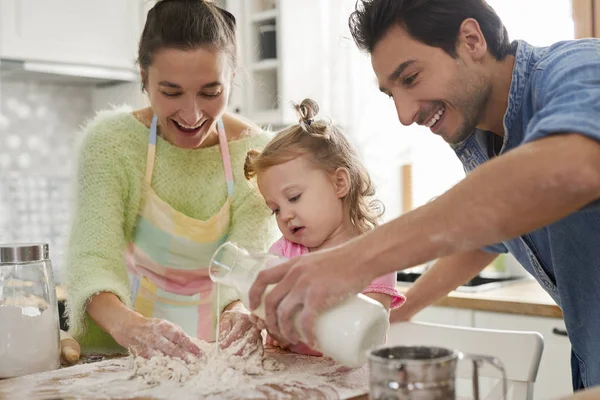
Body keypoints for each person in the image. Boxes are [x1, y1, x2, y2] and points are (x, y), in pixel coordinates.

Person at [248, 0, 600, 390]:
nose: (404, 113)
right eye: (391, 94)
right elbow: (490, 235)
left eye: (411, 78)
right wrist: (403, 310)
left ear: (471, 40)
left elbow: (572, 166)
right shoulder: (481, 139)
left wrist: (355, 260)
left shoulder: (578, 68)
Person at [65, 0, 278, 360]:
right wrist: (129, 327)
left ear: (231, 80)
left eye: (211, 92)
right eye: (171, 92)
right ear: (144, 79)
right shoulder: (110, 143)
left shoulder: (257, 153)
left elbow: (249, 266)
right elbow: (92, 258)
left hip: (219, 351)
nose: (192, 114)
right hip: (116, 351)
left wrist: (239, 315)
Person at [243, 98, 405, 353]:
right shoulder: (281, 255)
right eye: (275, 209)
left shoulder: (375, 255)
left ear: (339, 182)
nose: (284, 215)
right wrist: (274, 327)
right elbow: (274, 322)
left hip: (352, 383)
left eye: (294, 197)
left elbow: (366, 326)